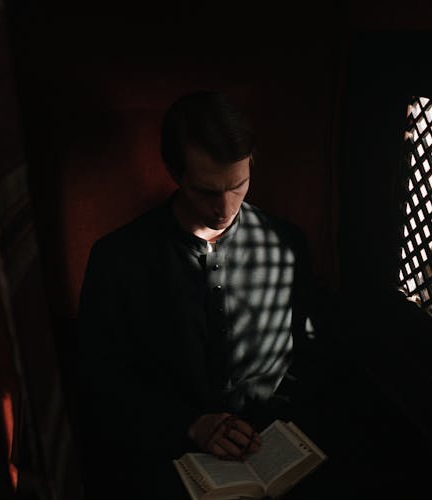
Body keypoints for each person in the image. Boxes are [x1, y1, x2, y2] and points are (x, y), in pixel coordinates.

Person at [73, 90, 321, 497]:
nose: (224, 208)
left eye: (238, 186)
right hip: (164, 454)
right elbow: (100, 383)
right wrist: (189, 425)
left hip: (271, 446)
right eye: (207, 191)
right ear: (175, 172)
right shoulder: (118, 259)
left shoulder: (287, 243)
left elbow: (312, 354)